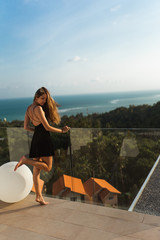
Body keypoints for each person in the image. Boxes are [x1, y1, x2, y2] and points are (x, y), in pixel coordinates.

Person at [14, 87, 70, 205]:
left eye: (45, 99)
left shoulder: (29, 108)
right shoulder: (38, 109)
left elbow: (26, 127)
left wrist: (37, 132)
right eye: (42, 98)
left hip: (36, 139)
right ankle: (25, 160)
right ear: (36, 97)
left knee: (37, 171)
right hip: (44, 140)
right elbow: (47, 127)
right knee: (48, 167)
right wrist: (62, 131)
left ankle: (39, 196)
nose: (44, 101)